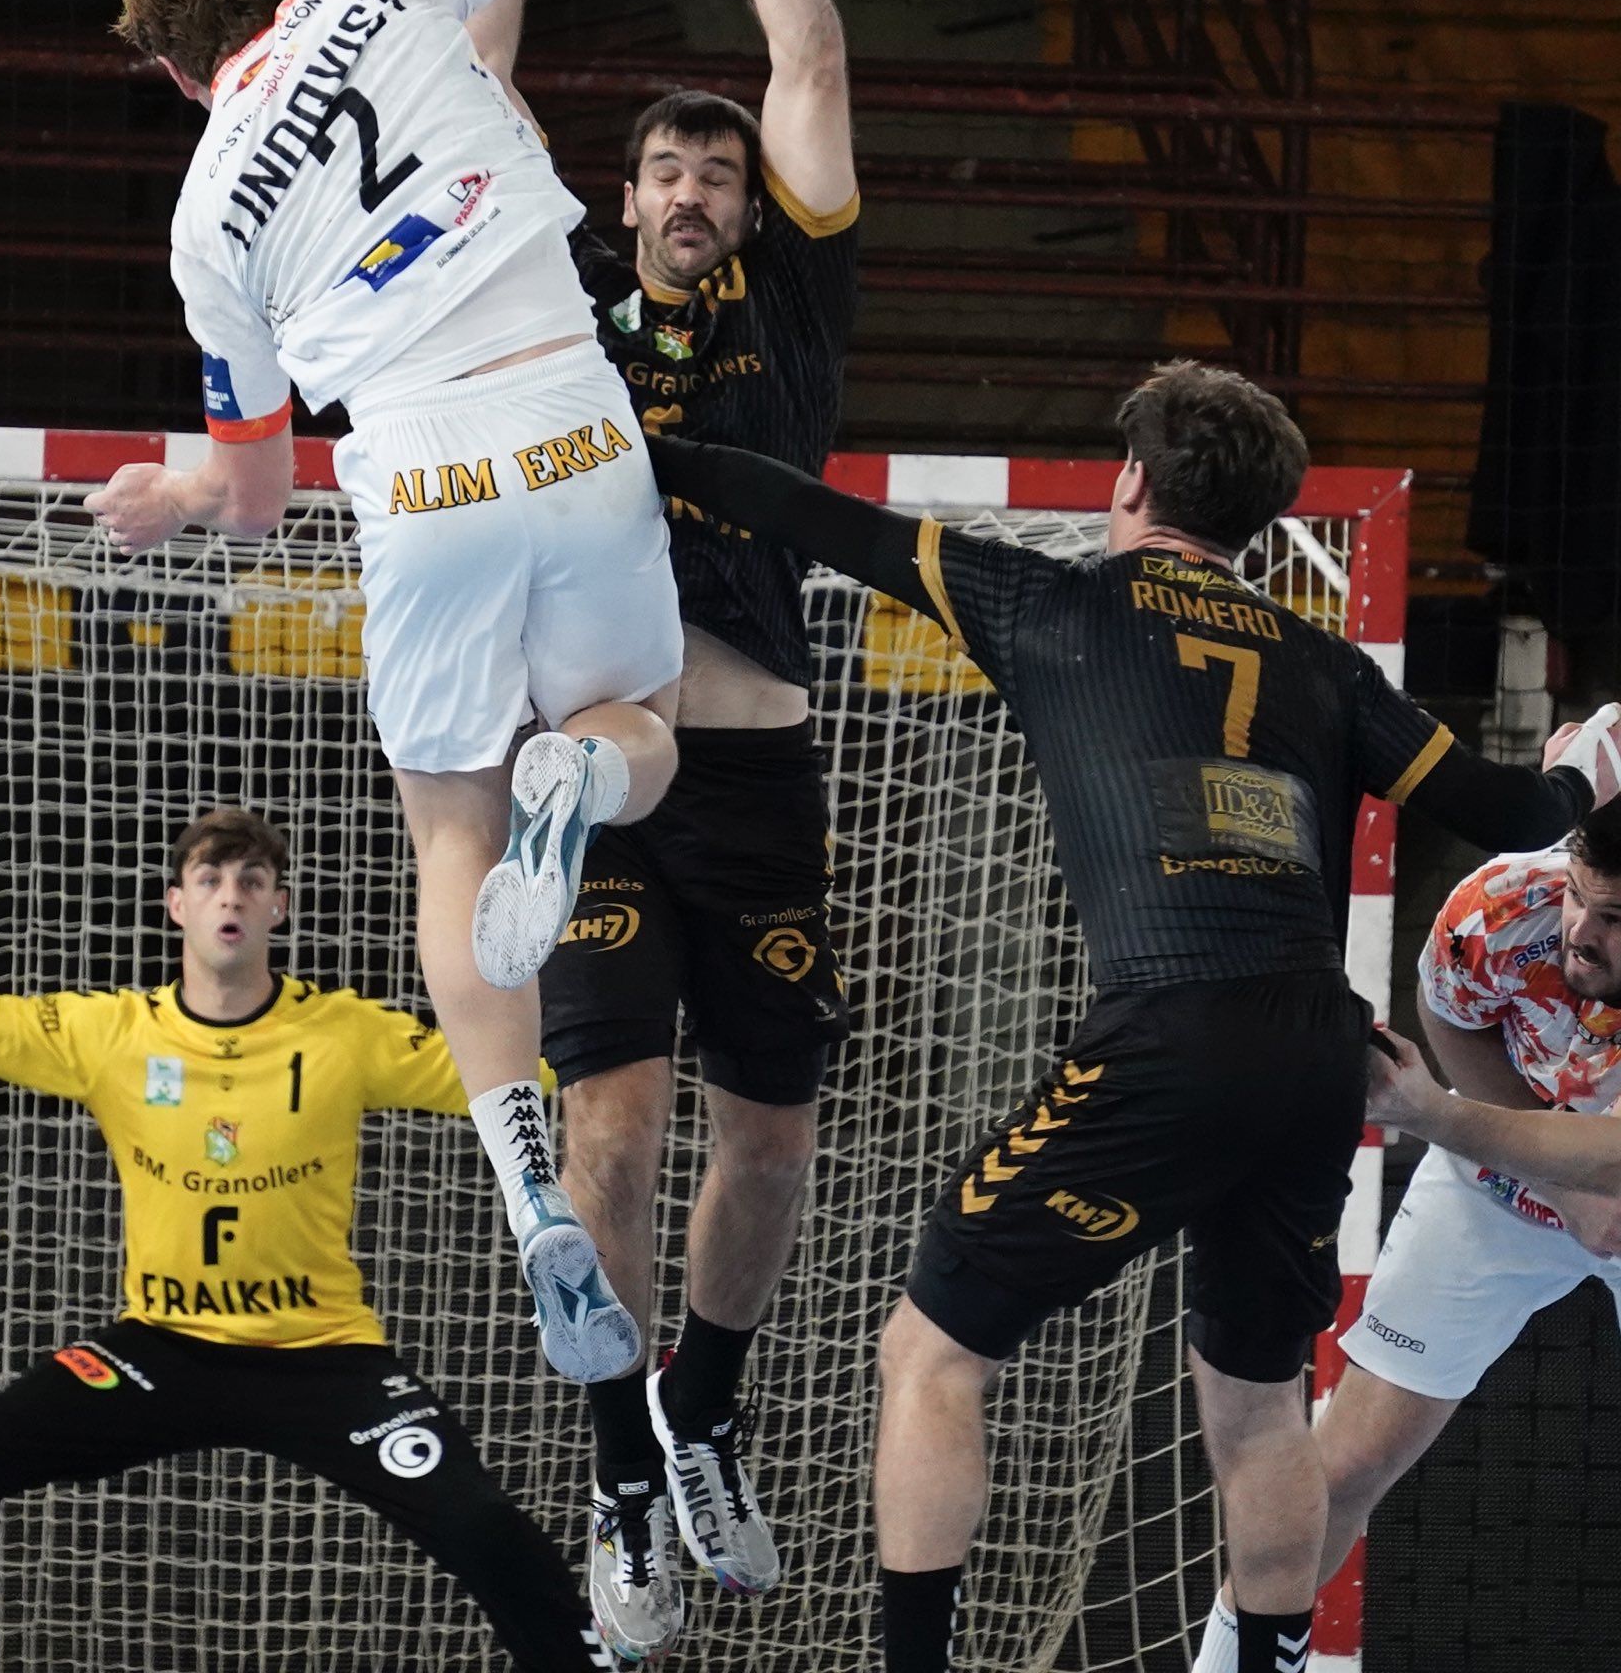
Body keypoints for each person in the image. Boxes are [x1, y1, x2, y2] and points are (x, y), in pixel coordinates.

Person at [641, 361, 1621, 1673]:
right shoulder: (1326, 663)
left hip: (1169, 1036)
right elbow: (1511, 818)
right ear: (1263, 529)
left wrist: (644, 454)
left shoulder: (1045, 597)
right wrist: (1581, 767)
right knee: (1265, 1404)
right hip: (1323, 1059)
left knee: (930, 1351)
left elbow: (811, 516)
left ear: (1132, 486)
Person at [89, 0, 686, 1384]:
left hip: (415, 468)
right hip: (566, 398)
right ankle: (582, 763)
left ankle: (522, 1198)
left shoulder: (208, 220)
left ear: (165, 65)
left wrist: (185, 482)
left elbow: (265, 492)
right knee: (642, 725)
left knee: (446, 824)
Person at [463, 0, 858, 1663]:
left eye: (717, 165)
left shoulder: (790, 307)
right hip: (601, 769)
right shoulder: (554, 314)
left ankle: (701, 1416)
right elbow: (469, 93)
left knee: (767, 1141)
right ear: (619, 200)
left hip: (762, 770)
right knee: (606, 1132)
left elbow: (811, 69)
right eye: (667, 163)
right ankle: (622, 1471)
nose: (697, 180)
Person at [0, 787, 613, 1673]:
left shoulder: (343, 1033)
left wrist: (613, 1014)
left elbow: (508, 1075)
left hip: (322, 1356)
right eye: (210, 878)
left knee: (478, 1521)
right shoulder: (111, 1034)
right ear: (176, 904)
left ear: (279, 907)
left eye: (253, 880)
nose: (232, 895)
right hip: (159, 1352)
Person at [1191, 784, 1621, 1670]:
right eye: (1580, 893)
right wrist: (1537, 1165)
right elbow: (1453, 1017)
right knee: (1340, 1470)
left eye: (1615, 918)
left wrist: (1426, 1115)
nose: (1580, 930)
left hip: (1565, 1161)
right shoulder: (1505, 906)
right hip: (1495, 1184)